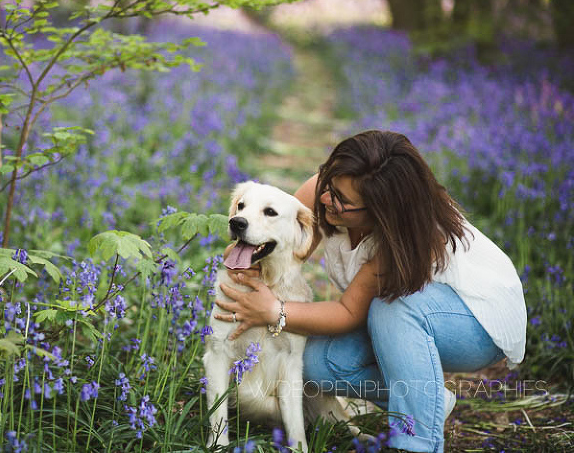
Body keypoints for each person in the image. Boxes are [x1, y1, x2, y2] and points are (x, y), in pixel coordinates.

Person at [214, 130, 526, 453]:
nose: (325, 201)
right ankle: (428, 400)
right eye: (330, 186)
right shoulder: (324, 190)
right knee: (314, 362)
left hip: (477, 320)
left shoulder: (397, 240)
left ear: (379, 213)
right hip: (413, 313)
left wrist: (273, 311)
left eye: (341, 201)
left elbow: (348, 313)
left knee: (391, 308)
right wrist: (247, 256)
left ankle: (417, 443)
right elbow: (288, 247)